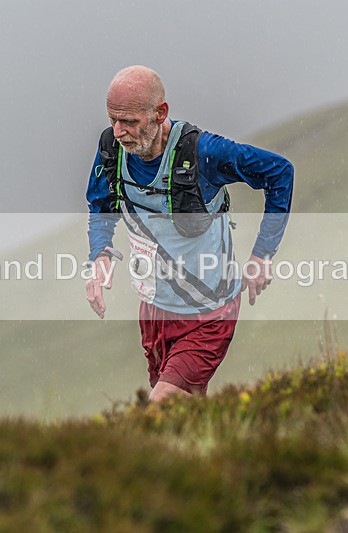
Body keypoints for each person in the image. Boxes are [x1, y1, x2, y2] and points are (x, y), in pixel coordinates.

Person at [85, 66, 293, 401]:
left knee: (161, 405)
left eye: (130, 122)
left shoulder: (204, 153)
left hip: (210, 313)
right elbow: (100, 205)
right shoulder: (112, 148)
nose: (119, 132)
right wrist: (100, 254)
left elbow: (280, 172)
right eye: (113, 120)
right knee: (181, 416)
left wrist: (262, 255)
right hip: (154, 312)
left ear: (160, 112)